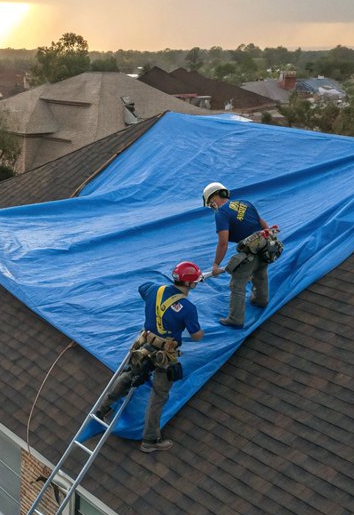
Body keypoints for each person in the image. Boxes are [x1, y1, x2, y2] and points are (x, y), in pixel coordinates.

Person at [95, 261, 205, 453]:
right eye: (194, 281)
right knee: (159, 395)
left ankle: (102, 409)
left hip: (146, 346)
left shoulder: (155, 289)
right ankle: (150, 440)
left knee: (129, 375)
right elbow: (196, 336)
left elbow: (142, 288)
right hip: (166, 355)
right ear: (188, 284)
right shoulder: (188, 308)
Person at [203, 181, 272, 328]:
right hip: (264, 245)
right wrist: (270, 237)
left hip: (249, 251)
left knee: (237, 285)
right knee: (260, 273)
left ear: (216, 195)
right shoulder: (245, 202)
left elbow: (223, 242)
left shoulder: (221, 213)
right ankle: (261, 300)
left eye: (210, 202)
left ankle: (235, 319)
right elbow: (263, 223)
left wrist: (216, 264)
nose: (212, 206)